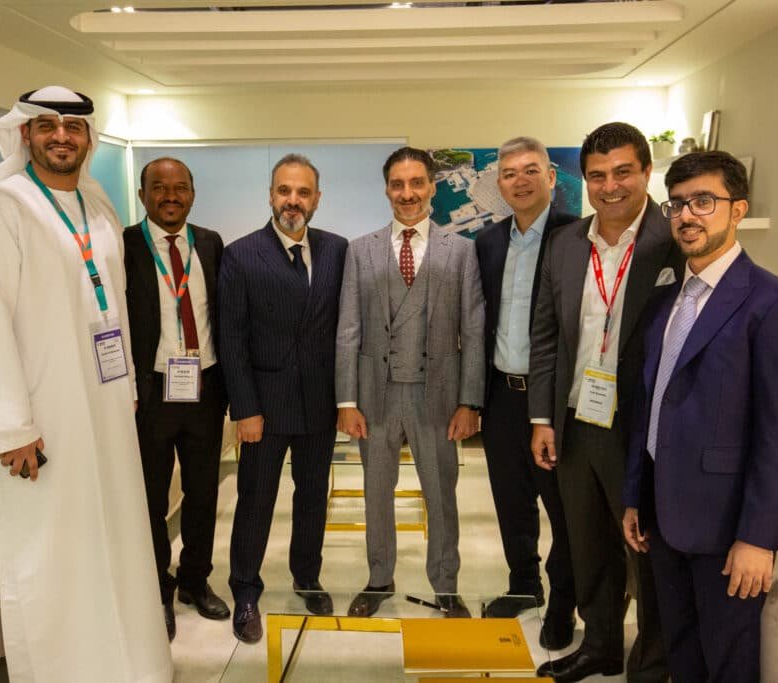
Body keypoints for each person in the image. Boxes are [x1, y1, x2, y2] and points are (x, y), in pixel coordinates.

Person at [0, 86, 172, 682]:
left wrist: (125, 382)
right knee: (55, 551)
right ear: (24, 133)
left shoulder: (97, 207)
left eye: (73, 127)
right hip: (41, 424)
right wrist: (14, 429)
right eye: (47, 125)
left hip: (104, 410)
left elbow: (117, 309)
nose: (61, 136)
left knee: (118, 536)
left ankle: (132, 665)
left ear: (87, 138)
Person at [623, 151, 778, 683]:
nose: (688, 215)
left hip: (726, 527)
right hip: (662, 521)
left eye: (704, 202)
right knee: (682, 656)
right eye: (679, 204)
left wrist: (759, 537)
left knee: (728, 664)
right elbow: (651, 405)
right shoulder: (666, 301)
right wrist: (634, 496)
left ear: (738, 210)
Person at [530, 122, 678, 682]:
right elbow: (546, 334)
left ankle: (655, 660)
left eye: (622, 172)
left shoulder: (673, 240)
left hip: (641, 426)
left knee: (646, 550)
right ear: (583, 180)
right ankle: (601, 646)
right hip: (575, 418)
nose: (609, 186)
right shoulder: (567, 243)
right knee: (586, 541)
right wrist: (541, 417)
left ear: (645, 171)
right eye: (597, 175)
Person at [336, 146, 485, 619]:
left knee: (441, 495)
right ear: (386, 189)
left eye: (416, 183)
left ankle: (445, 585)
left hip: (437, 395)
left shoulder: (460, 251)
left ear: (432, 188)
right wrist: (346, 399)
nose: (407, 193)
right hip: (375, 395)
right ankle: (379, 578)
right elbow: (348, 329)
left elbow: (474, 329)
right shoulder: (359, 250)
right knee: (376, 493)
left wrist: (470, 401)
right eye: (398, 184)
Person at [219, 154, 348, 644]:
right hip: (264, 410)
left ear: (316, 199)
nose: (292, 200)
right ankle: (246, 591)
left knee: (314, 496)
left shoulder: (337, 251)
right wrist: (245, 409)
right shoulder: (241, 254)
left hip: (319, 406)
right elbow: (231, 338)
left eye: (303, 192)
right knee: (255, 501)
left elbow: (345, 330)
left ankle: (306, 576)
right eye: (284, 191)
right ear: (270, 195)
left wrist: (345, 401)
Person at [474, 136, 578, 647]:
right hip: (501, 396)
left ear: (551, 178)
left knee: (562, 506)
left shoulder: (575, 237)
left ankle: (563, 603)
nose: (520, 180)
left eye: (531, 170)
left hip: (555, 400)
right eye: (510, 173)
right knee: (511, 500)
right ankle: (523, 585)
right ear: (499, 185)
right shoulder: (489, 243)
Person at [124, 157, 230, 641]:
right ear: (143, 192)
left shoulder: (209, 243)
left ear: (192, 193)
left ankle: (195, 580)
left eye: (180, 187)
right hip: (151, 394)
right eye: (159, 187)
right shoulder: (123, 245)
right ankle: (156, 590)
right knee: (150, 497)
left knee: (204, 492)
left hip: (204, 388)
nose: (171, 196)